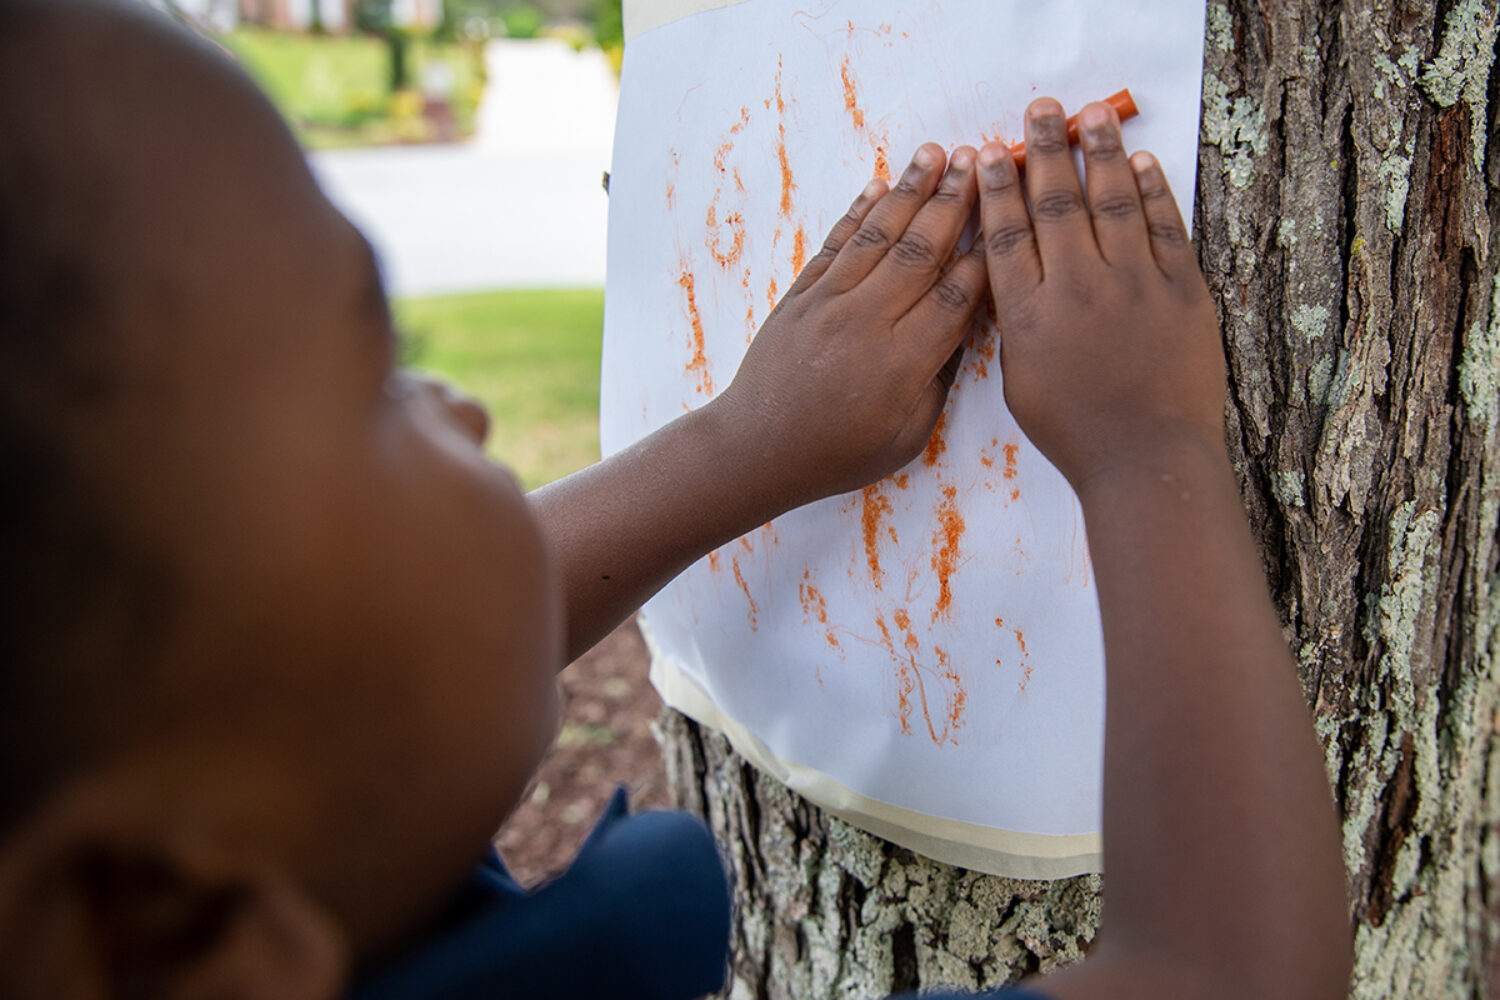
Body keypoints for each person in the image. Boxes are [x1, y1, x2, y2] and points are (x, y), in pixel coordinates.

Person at [0, 1, 1350, 997]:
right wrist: (1146, 448)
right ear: (162, 913)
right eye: (379, 387)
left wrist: (743, 443)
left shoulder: (223, 851)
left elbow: (281, 678)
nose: (458, 410)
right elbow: (1232, 971)